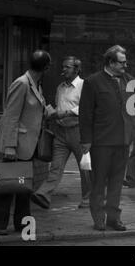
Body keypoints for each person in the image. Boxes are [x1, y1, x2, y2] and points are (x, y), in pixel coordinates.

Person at [0, 50, 51, 235]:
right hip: (16, 146)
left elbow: (35, 111)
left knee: (25, 187)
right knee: (7, 187)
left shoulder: (36, 85)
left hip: (29, 146)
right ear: (46, 68)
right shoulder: (22, 83)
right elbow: (10, 116)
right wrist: (9, 146)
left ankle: (23, 224)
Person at [79, 45, 133, 231]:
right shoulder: (93, 82)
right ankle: (99, 218)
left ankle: (113, 218)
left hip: (123, 140)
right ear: (110, 62)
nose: (125, 65)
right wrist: (86, 141)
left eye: (125, 62)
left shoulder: (129, 81)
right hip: (101, 141)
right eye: (121, 62)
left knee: (117, 182)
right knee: (99, 182)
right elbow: (85, 113)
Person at [31, 56, 91, 209]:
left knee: (85, 167)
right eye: (63, 67)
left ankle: (88, 199)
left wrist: (66, 113)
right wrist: (52, 113)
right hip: (60, 133)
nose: (63, 70)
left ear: (76, 69)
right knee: (56, 167)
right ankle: (43, 194)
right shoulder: (60, 88)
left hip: (78, 132)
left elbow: (85, 108)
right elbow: (59, 107)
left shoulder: (85, 86)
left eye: (67, 67)